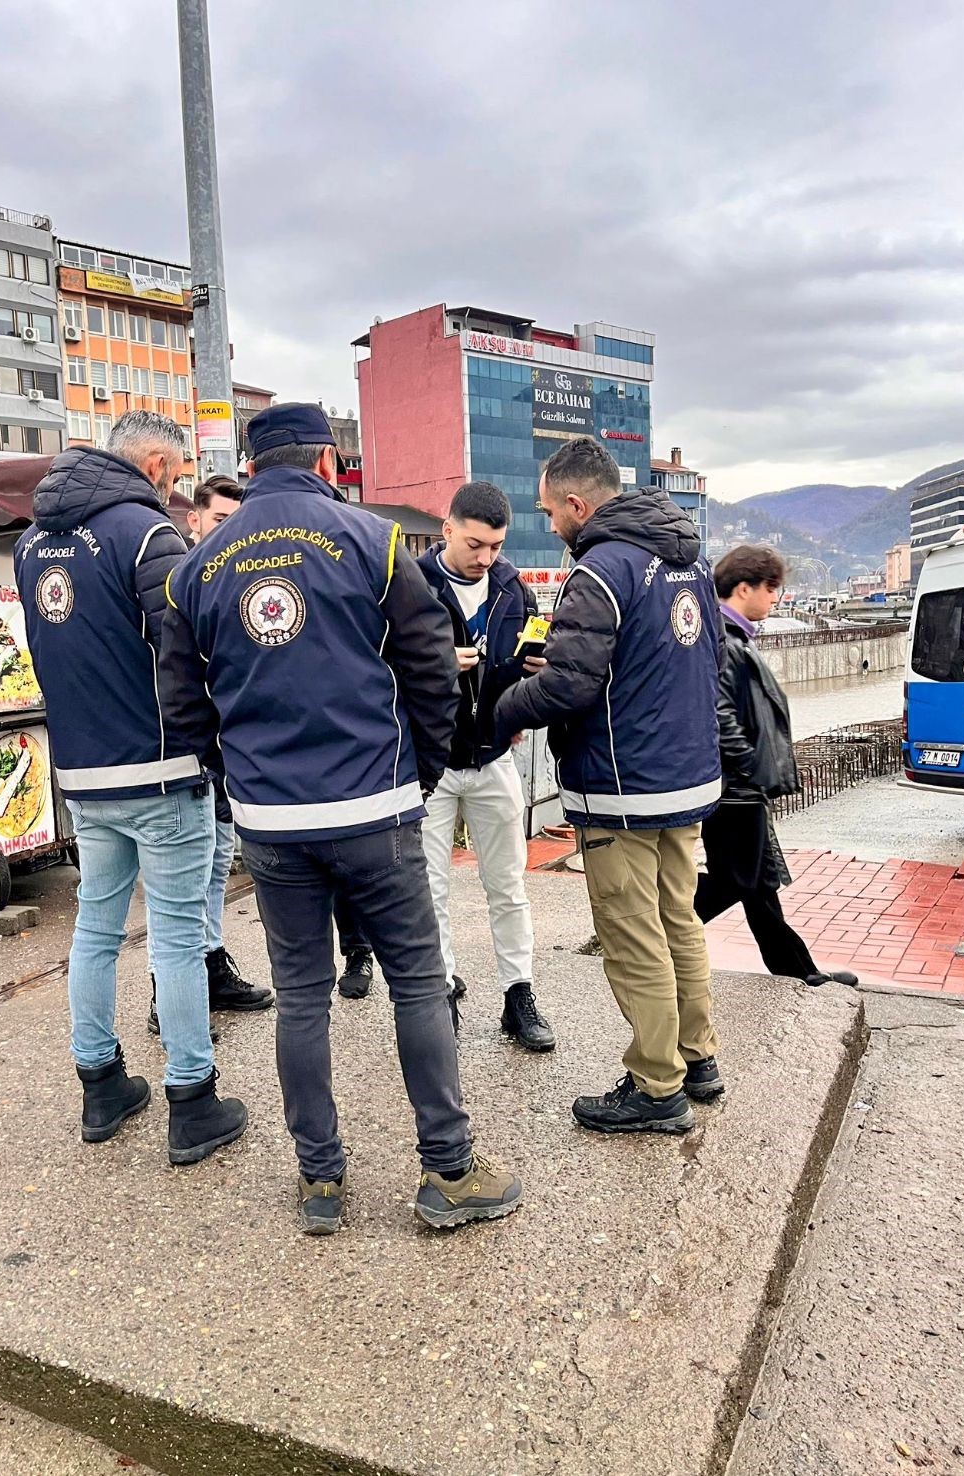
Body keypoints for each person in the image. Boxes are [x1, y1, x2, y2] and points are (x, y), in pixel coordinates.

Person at [159, 402, 522, 1234]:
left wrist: (238, 784)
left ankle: (320, 1180)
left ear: (250, 469)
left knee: (300, 997)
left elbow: (181, 706)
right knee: (417, 983)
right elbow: (429, 668)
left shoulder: (196, 567)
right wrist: (418, 772)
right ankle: (448, 1169)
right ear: (328, 462)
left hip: (271, 822)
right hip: (375, 807)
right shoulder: (375, 542)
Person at [15, 409, 247, 1164]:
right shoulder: (147, 535)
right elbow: (187, 648)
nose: (175, 490)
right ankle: (193, 1098)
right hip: (160, 767)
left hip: (84, 771)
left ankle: (100, 1084)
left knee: (96, 928)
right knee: (177, 938)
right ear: (152, 465)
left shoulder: (30, 543)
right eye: (174, 477)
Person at [494, 436, 723, 1133]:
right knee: (678, 918)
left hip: (622, 786)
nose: (550, 526)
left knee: (632, 934)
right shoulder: (689, 563)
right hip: (685, 778)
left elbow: (570, 687)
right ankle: (697, 1056)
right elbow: (700, 662)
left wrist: (498, 710)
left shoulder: (598, 570)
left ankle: (656, 1086)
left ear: (576, 503)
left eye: (549, 513)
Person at [416, 481, 554, 1051]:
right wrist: (437, 663)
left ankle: (518, 994)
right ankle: (442, 990)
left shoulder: (513, 588)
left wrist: (534, 678)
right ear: (447, 529)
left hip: (495, 754)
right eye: (475, 545)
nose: (486, 558)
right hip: (430, 763)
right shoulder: (412, 585)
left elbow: (526, 662)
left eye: (496, 546)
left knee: (509, 884)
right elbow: (379, 664)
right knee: (430, 890)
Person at [695, 545, 858, 989]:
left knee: (757, 885)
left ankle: (800, 971)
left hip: (739, 788)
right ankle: (652, 931)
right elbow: (718, 714)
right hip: (735, 789)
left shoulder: (731, 636)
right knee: (738, 882)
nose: (775, 598)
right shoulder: (726, 641)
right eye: (770, 588)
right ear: (743, 588)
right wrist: (750, 766)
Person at [146, 474, 273, 1039]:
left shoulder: (237, 576)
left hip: (224, 751)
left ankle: (211, 963)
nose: (229, 531)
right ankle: (167, 993)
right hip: (182, 749)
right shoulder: (179, 577)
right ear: (194, 519)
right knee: (178, 885)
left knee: (218, 862)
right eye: (220, 520)